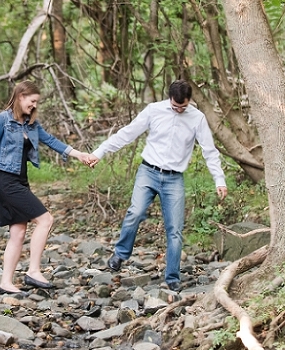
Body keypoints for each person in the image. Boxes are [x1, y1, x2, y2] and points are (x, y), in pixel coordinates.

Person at [87, 80, 227, 292]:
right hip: (148, 172)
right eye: (175, 106)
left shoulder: (197, 118)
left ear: (189, 102)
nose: (179, 110)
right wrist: (100, 152)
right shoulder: (154, 110)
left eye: (183, 107)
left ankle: (172, 277)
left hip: (174, 179)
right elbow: (128, 133)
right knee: (136, 212)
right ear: (169, 99)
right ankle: (120, 254)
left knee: (175, 230)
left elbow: (209, 150)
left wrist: (219, 179)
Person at [0, 80, 95, 295]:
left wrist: (79, 155)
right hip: (6, 180)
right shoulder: (2, 120)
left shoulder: (30, 124)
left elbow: (51, 141)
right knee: (45, 219)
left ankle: (6, 282)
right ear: (21, 96)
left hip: (21, 179)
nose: (34, 106)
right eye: (32, 101)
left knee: (18, 232)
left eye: (36, 103)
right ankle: (33, 270)